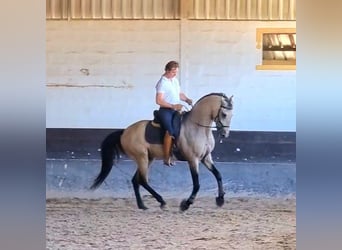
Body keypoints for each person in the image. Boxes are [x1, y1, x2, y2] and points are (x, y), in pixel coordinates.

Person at [155, 60, 193, 166]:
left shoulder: (174, 80)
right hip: (165, 111)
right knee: (170, 131)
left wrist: (187, 99)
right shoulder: (162, 83)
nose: (175, 74)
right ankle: (166, 157)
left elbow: (179, 94)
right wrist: (173, 106)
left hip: (176, 110)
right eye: (173, 72)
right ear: (167, 70)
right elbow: (159, 100)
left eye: (176, 72)